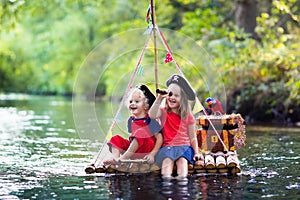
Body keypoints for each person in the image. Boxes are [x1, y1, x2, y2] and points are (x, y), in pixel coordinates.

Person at [149, 74, 203, 178]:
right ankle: (167, 185)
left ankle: (182, 183)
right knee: (166, 163)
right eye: (170, 94)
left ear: (183, 98)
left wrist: (196, 153)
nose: (172, 98)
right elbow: (152, 115)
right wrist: (159, 99)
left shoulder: (187, 115)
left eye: (176, 96)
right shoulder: (163, 111)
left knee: (182, 162)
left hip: (184, 146)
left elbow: (193, 137)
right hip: (167, 147)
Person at [103, 84, 163, 165]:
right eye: (130, 101)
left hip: (146, 150)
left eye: (137, 101)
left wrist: (152, 154)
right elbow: (133, 139)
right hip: (135, 151)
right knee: (115, 138)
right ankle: (116, 158)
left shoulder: (150, 120)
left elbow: (159, 139)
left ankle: (122, 159)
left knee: (140, 132)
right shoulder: (131, 120)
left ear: (145, 106)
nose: (132, 103)